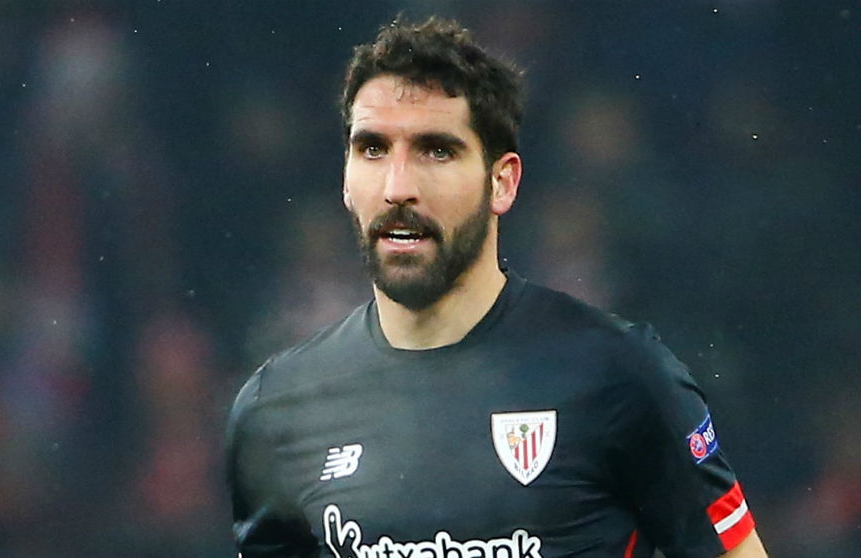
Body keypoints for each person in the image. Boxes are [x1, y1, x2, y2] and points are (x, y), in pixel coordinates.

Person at [226, 16, 767, 558]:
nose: (397, 187)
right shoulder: (276, 410)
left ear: (502, 181)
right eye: (372, 149)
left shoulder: (620, 377)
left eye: (436, 150)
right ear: (345, 176)